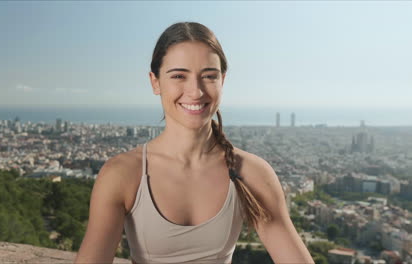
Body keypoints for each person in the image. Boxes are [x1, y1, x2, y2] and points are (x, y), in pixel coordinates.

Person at [74, 22, 314, 264]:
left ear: (223, 80)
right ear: (155, 82)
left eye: (209, 76)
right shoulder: (123, 174)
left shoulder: (252, 173)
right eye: (179, 75)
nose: (196, 91)